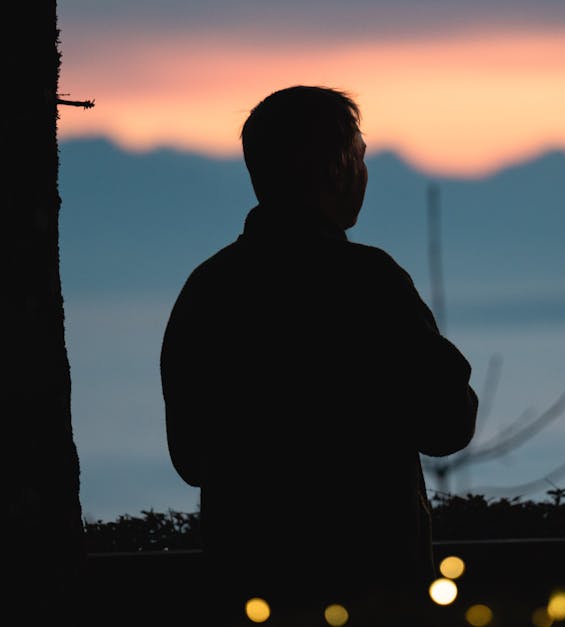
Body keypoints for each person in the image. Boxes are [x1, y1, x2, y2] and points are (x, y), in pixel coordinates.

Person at [160, 86, 478, 620]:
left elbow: (191, 458)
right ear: (334, 168)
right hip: (373, 587)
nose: (364, 174)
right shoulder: (368, 283)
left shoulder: (209, 289)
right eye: (359, 156)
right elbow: (449, 423)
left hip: (245, 586)